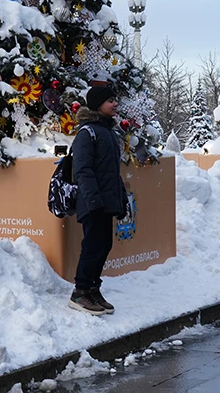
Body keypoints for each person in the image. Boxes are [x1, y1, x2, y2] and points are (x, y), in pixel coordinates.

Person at [68, 84, 127, 316]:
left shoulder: (108, 132)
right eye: (110, 100)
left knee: (104, 245)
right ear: (97, 105)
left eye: (114, 100)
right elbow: (82, 170)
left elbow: (113, 172)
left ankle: (93, 289)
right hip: (93, 202)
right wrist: (93, 201)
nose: (115, 104)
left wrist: (121, 200)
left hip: (106, 201)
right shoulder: (87, 133)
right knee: (92, 246)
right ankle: (80, 292)